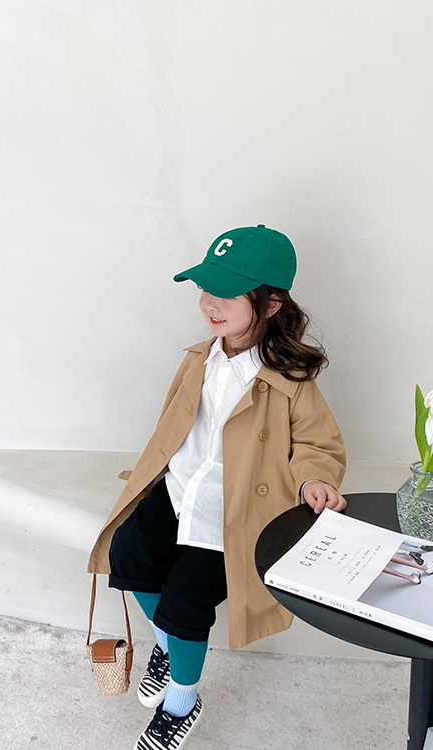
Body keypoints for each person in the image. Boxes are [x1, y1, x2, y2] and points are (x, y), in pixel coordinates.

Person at [87, 225, 347, 750]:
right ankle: (168, 648)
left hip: (237, 507)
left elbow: (317, 441)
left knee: (187, 600)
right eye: (206, 288)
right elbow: (175, 424)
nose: (210, 303)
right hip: (180, 487)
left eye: (227, 294)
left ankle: (182, 704)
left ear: (270, 304)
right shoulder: (198, 359)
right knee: (129, 552)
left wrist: (314, 477)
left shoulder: (290, 378)